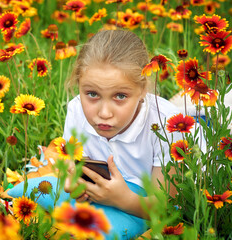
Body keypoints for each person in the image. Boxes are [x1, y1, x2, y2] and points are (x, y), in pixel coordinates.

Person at [63, 29, 182, 238]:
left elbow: (167, 208)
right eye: (92, 94)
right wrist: (75, 179)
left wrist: (122, 199)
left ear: (143, 89)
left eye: (120, 96)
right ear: (78, 85)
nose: (104, 113)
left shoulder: (168, 127)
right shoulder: (76, 110)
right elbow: (75, 162)